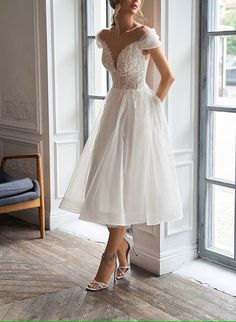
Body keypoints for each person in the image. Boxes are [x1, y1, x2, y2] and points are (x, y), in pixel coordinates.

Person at [59, 0, 184, 291]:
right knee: (103, 187)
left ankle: (107, 262)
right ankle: (123, 248)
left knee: (123, 190)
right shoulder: (103, 36)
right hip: (113, 111)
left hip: (138, 114)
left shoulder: (145, 35)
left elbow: (168, 77)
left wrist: (152, 108)